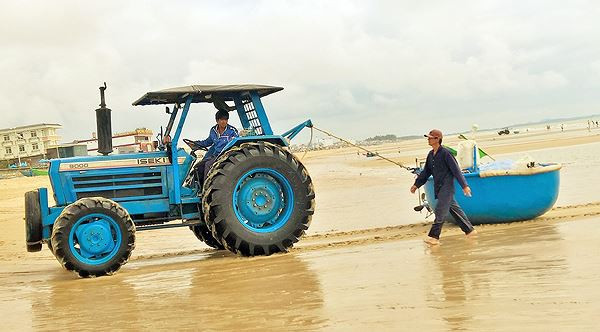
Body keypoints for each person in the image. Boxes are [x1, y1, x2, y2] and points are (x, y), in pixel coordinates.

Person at [410, 129, 477, 245]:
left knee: (440, 211)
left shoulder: (446, 153)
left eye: (430, 137)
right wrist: (416, 185)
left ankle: (434, 237)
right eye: (428, 137)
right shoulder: (431, 155)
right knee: (455, 210)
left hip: (447, 187)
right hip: (439, 187)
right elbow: (426, 172)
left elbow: (456, 171)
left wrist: (465, 186)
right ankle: (470, 230)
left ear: (437, 139)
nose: (428, 139)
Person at [194, 109, 239, 183]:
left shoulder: (232, 131)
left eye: (226, 119)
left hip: (226, 155)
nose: (224, 122)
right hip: (216, 155)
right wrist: (196, 143)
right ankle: (198, 185)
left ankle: (206, 186)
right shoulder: (213, 130)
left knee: (208, 165)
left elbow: (236, 144)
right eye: (222, 120)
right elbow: (208, 142)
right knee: (199, 165)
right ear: (217, 121)